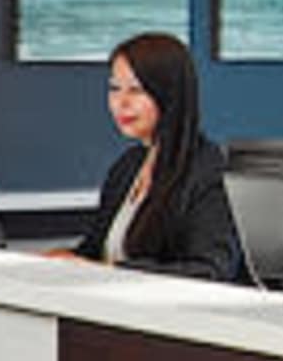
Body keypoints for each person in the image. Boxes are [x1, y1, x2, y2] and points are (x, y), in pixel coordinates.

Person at [69, 31, 245, 280]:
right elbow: (96, 252)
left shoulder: (207, 172)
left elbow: (210, 270)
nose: (121, 102)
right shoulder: (128, 166)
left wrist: (109, 272)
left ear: (168, 94)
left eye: (136, 90)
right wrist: (59, 261)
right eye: (114, 88)